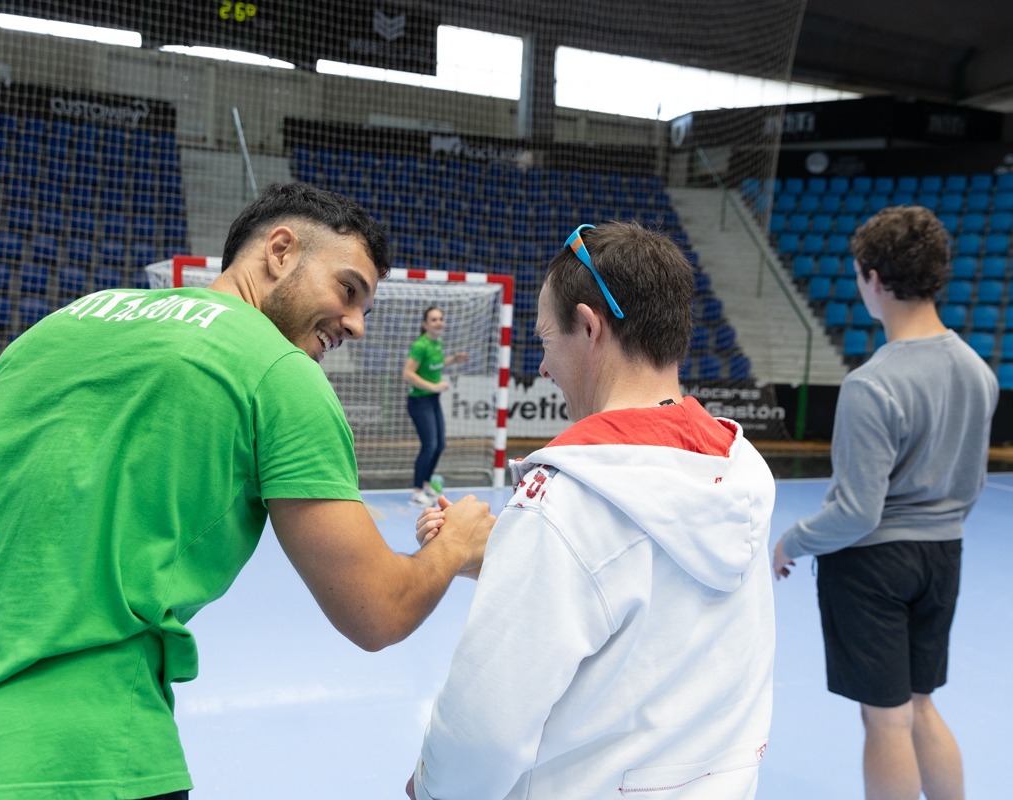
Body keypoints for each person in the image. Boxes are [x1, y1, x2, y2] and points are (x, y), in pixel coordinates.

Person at [0, 182, 495, 800]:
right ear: (281, 250)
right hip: (76, 758)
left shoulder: (60, 325)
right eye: (348, 290)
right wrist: (456, 545)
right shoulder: (280, 371)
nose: (355, 324)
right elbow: (377, 610)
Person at [407, 221, 777, 799]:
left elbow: (485, 727)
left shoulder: (568, 501)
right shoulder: (741, 464)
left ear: (588, 326)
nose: (544, 369)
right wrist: (514, 557)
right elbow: (650, 595)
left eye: (547, 341)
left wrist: (432, 786)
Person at [773, 205, 998, 800]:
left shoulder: (872, 383)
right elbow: (970, 486)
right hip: (943, 557)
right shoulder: (979, 374)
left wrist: (790, 541)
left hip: (873, 567)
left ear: (872, 278)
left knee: (885, 718)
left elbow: (856, 513)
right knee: (921, 705)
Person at [403, 306, 468, 507]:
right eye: (433, 319)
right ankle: (417, 491)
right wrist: (434, 386)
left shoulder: (437, 343)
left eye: (441, 318)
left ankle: (427, 483)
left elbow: (434, 365)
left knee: (440, 445)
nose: (439, 322)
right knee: (429, 445)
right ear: (425, 324)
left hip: (432, 400)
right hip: (419, 402)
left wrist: (453, 359)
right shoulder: (420, 345)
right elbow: (407, 374)